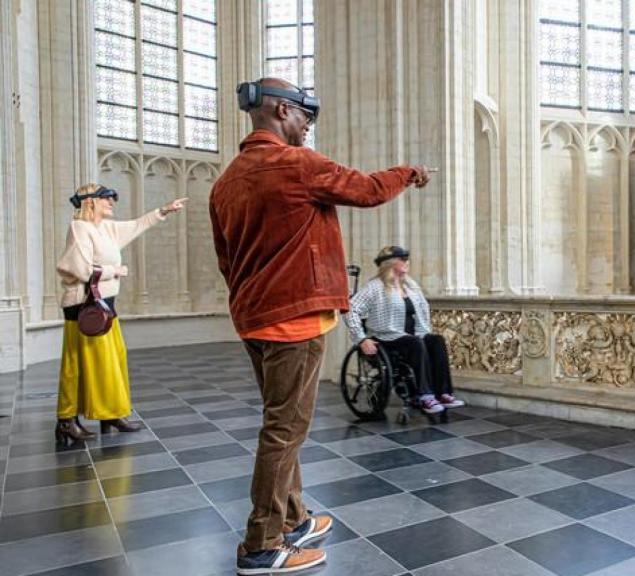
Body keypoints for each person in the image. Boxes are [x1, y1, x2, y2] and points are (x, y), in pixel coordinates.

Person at [210, 77, 430, 575]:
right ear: (280, 111)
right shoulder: (296, 164)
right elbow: (369, 190)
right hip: (295, 320)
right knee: (284, 430)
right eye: (304, 114)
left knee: (281, 422)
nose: (308, 124)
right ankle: (261, 545)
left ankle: (294, 519)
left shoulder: (225, 182)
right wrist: (411, 171)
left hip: (254, 317)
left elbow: (228, 262)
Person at [55, 184, 186, 445]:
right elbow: (75, 267)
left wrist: (163, 211)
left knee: (113, 359)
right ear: (90, 202)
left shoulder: (105, 228)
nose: (111, 203)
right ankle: (67, 421)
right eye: (106, 200)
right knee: (77, 364)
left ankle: (111, 414)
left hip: (103, 304)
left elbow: (136, 225)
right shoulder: (80, 228)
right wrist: (114, 271)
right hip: (83, 305)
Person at [344, 246, 465, 414]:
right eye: (403, 259)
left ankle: (443, 392)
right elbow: (350, 308)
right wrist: (361, 339)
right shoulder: (375, 287)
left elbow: (423, 307)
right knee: (414, 343)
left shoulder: (410, 286)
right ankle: (425, 396)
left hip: (410, 335)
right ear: (390, 263)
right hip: (386, 337)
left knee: (436, 340)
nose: (407, 262)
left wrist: (424, 331)